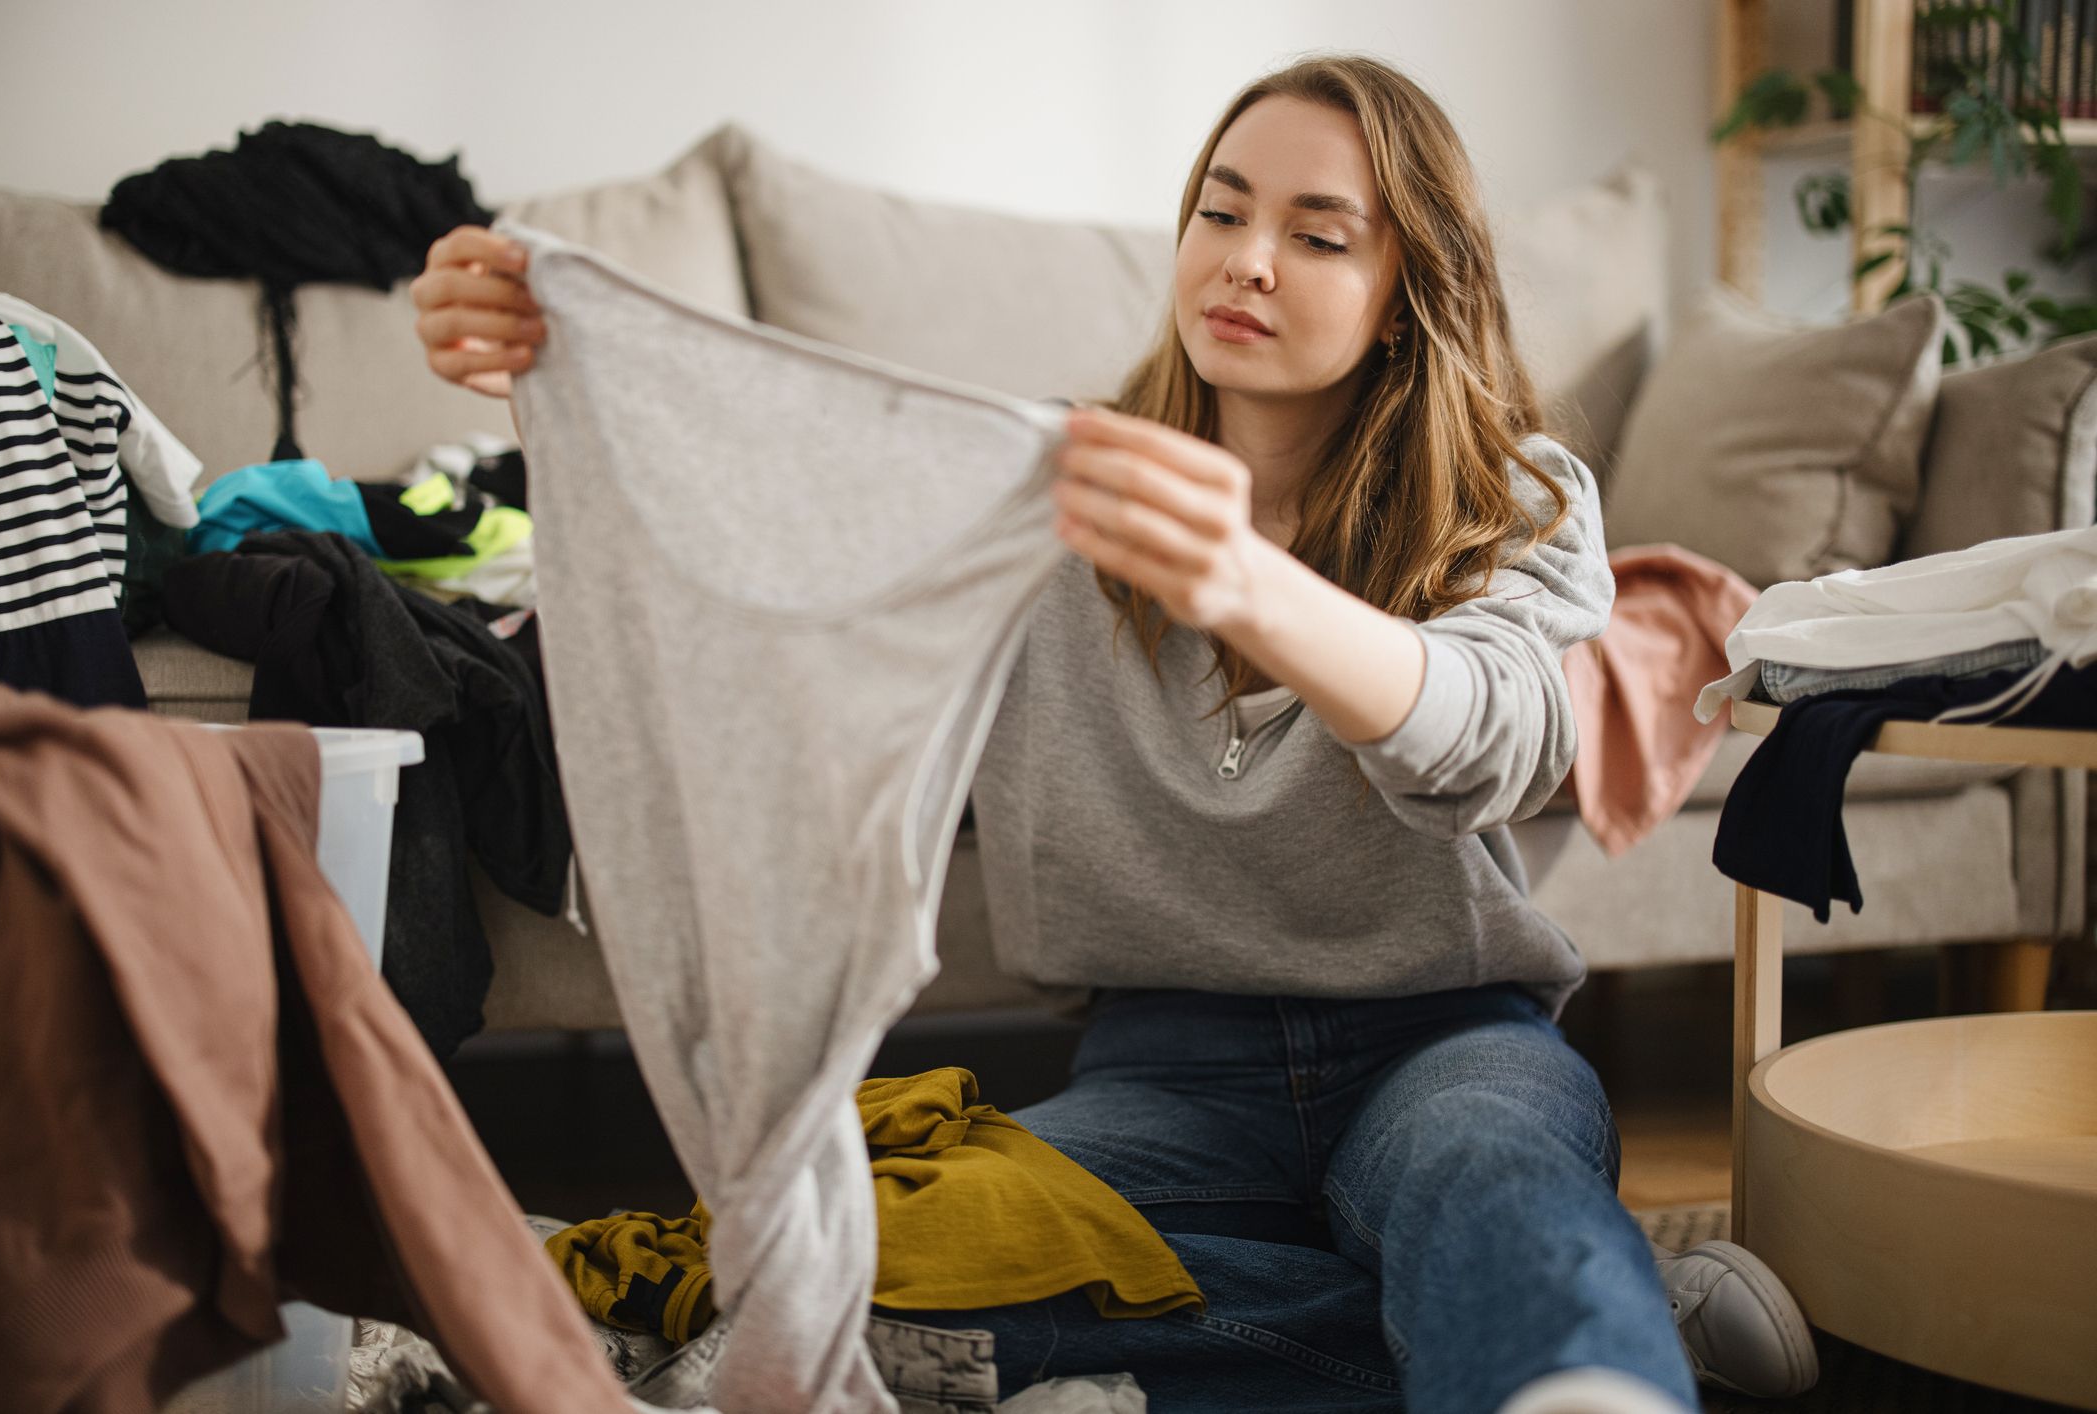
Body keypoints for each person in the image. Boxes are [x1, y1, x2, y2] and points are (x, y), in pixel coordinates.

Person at [413, 53, 1816, 1414]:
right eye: (1221, 209)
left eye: (1317, 235)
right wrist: (573, 360)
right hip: (1160, 1065)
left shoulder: (1517, 496)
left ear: (1405, 296)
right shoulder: (1041, 487)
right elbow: (775, 517)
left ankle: (1541, 1323)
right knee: (840, 1277)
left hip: (1444, 1036)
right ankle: (1572, 1310)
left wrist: (1249, 586)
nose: (1246, 258)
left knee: (1492, 1189)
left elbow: (1500, 742)